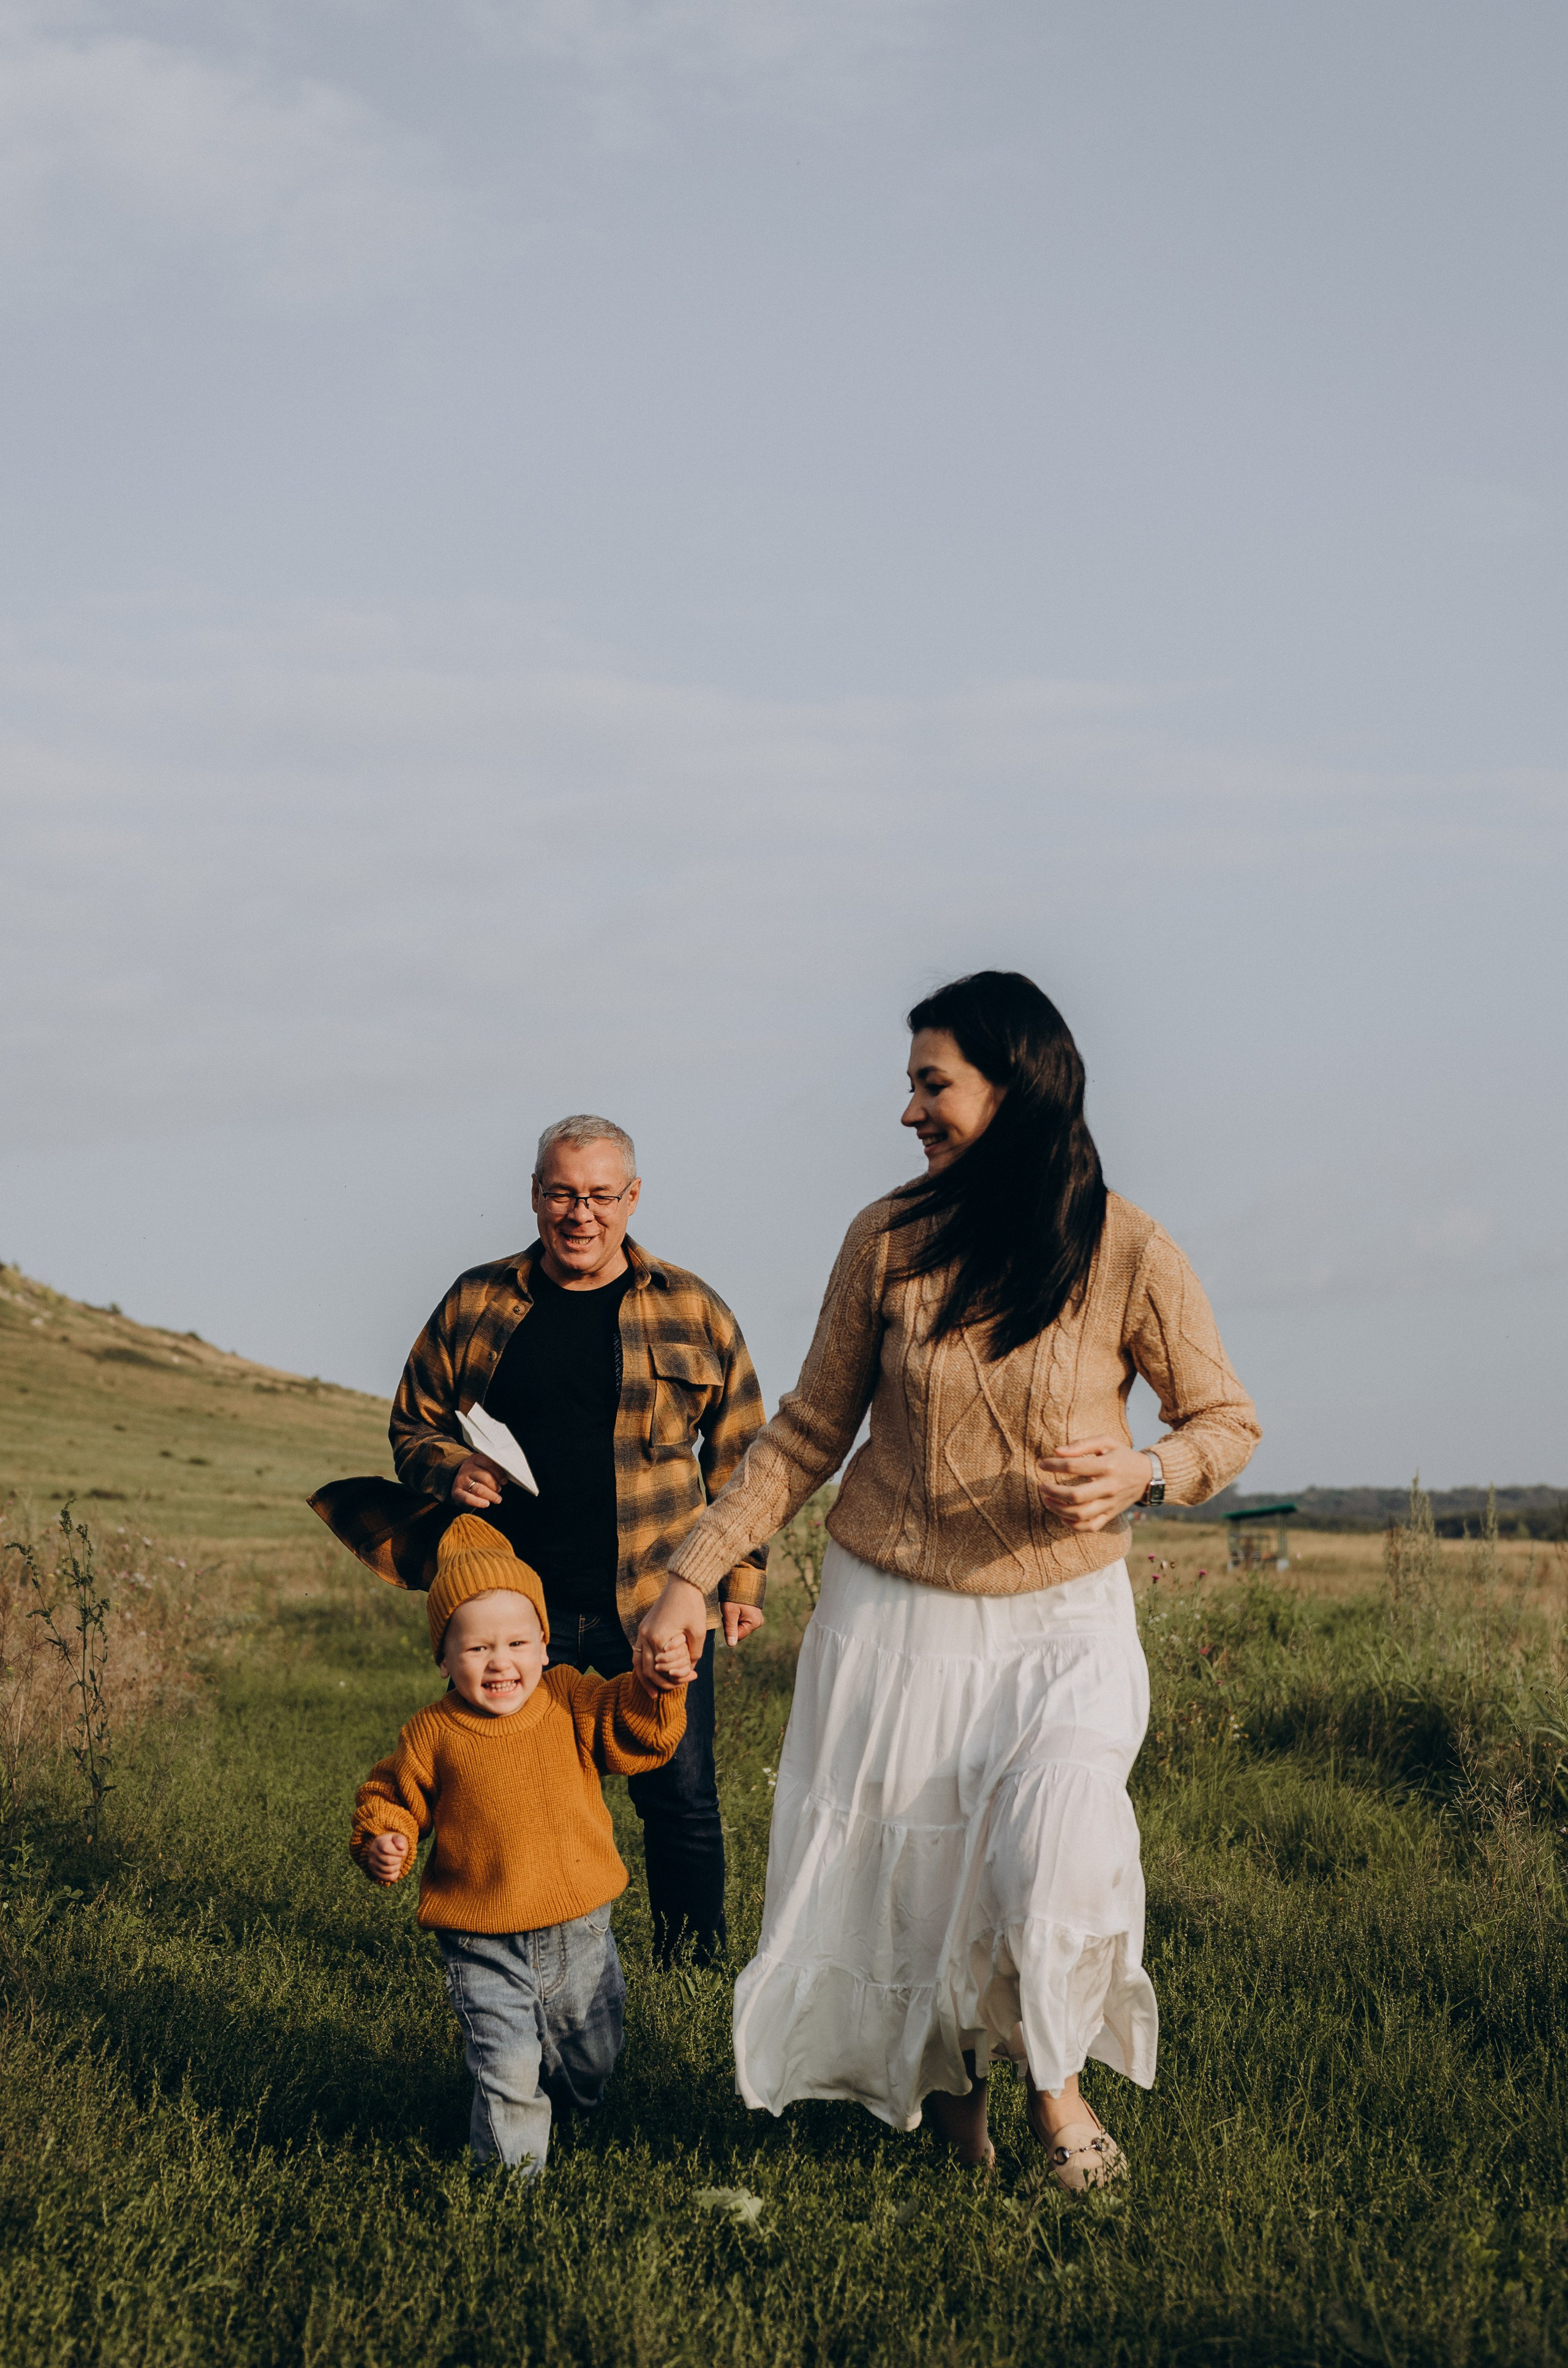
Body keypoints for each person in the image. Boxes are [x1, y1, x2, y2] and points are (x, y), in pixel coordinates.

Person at [636, 971, 1261, 2188]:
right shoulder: (885, 1239)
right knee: (921, 1877)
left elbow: (1224, 1421)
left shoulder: (1126, 1246)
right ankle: (959, 2105)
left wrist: (1144, 1468)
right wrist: (689, 1575)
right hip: (896, 1615)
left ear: (1013, 1084)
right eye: (911, 1084)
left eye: (932, 1082)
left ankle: (1055, 2087)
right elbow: (807, 1432)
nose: (909, 1109)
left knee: (1050, 1844)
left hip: (1063, 1619)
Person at [386, 1114, 767, 1967]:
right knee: (510, 1792)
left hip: (656, 1598)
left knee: (681, 1796)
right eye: (562, 1193)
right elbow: (412, 1422)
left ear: (633, 1199)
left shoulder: (692, 1306)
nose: (580, 1213)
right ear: (534, 1195)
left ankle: (692, 1969)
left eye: (600, 1195)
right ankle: (512, 1960)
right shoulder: (478, 1300)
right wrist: (446, 1469)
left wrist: (740, 1582)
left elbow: (745, 1453)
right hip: (518, 1609)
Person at [351, 1515, 693, 2174]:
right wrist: (384, 1836)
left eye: (516, 1642)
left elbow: (633, 1733)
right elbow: (393, 1793)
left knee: (591, 2056)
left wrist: (656, 1684)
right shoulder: (432, 1732)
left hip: (580, 1928)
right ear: (444, 1658)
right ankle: (510, 2191)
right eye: (476, 1649)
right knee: (506, 2068)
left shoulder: (568, 1698)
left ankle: (576, 2109)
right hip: (481, 1939)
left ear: (545, 1645)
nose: (499, 1661)